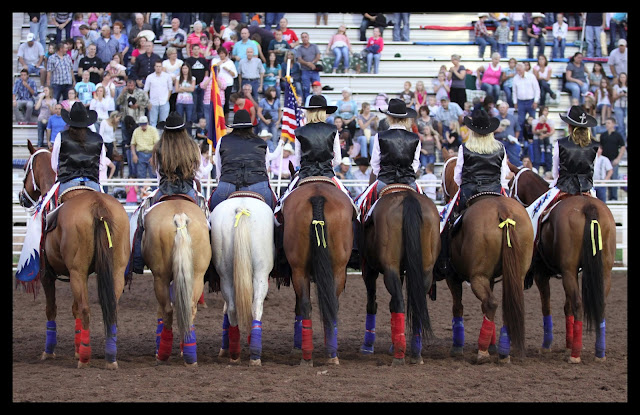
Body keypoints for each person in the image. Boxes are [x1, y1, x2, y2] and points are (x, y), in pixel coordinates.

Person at [129, 111, 208, 275]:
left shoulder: (159, 147)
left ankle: (137, 260)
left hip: (164, 190)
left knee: (140, 219)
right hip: (188, 190)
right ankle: (210, 260)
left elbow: (158, 173)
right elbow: (198, 172)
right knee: (208, 220)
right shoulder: (192, 146)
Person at [437, 107, 509, 271]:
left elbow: (457, 177)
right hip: (495, 191)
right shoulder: (500, 148)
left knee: (447, 221)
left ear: (473, 130)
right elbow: (503, 174)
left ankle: (446, 261)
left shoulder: (465, 147)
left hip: (470, 192)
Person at [273, 95, 353, 222]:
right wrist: (326, 165)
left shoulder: (300, 131)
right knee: (351, 204)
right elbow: (337, 159)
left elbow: (299, 159)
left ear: (309, 111)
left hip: (305, 175)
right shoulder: (333, 130)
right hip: (327, 174)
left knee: (281, 204)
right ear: (324, 112)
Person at [526, 105, 599, 240]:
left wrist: (554, 184)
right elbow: (592, 169)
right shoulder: (595, 144)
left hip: (564, 186)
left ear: (569, 126)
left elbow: (555, 172)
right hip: (587, 187)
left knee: (533, 213)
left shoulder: (561, 143)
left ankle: (535, 250)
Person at [354, 98, 422, 219]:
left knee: (361, 207)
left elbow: (375, 164)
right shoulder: (415, 138)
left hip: (385, 181)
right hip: (409, 181)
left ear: (389, 118)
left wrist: (383, 174)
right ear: (406, 118)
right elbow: (415, 164)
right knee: (426, 205)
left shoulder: (380, 136)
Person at [209, 109, 283, 212]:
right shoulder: (261, 142)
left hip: (228, 185)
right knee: (275, 211)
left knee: (211, 211)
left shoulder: (223, 140)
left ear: (234, 126)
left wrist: (223, 180)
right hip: (258, 185)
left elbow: (219, 167)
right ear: (250, 127)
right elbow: (265, 168)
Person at [50, 101, 107, 198]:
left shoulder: (61, 136)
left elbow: (55, 165)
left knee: (48, 206)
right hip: (92, 183)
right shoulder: (98, 138)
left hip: (67, 182)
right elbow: (102, 165)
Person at [599, 117, 626, 201]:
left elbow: (622, 147)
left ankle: (613, 197)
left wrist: (618, 159)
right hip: (604, 160)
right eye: (606, 123)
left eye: (609, 123)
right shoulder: (603, 135)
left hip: (613, 160)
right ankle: (603, 197)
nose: (607, 124)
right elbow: (600, 147)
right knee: (603, 178)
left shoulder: (618, 135)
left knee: (614, 178)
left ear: (613, 124)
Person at [184, 43, 210, 122]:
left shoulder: (203, 60)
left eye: (197, 49)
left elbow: (206, 71)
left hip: (202, 85)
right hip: (193, 85)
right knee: (194, 104)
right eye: (194, 49)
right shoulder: (189, 60)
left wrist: (204, 82)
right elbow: (186, 71)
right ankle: (194, 121)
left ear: (199, 50)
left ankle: (201, 121)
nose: (196, 50)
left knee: (201, 104)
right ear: (192, 50)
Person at [144, 61, 173, 128]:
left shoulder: (167, 76)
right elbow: (145, 90)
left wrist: (167, 99)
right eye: (157, 66)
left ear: (162, 67)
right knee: (153, 122)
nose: (158, 68)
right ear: (154, 67)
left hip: (164, 102)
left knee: (164, 122)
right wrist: (148, 102)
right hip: (153, 102)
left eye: (160, 66)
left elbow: (170, 89)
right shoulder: (150, 77)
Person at [512, 61, 540, 132]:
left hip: (531, 101)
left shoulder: (531, 77)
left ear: (524, 69)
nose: (518, 72)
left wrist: (536, 101)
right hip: (520, 101)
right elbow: (514, 92)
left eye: (520, 70)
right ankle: (520, 139)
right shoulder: (515, 78)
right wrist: (515, 102)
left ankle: (531, 138)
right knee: (520, 121)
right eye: (517, 70)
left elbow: (537, 89)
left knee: (532, 121)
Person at [130, 115, 160, 180]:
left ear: (147, 123)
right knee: (141, 175)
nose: (143, 126)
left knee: (153, 174)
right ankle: (141, 189)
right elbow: (132, 144)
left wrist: (153, 156)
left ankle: (154, 189)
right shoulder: (136, 131)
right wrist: (134, 155)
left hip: (151, 153)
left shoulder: (153, 130)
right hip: (140, 154)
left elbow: (157, 144)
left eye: (145, 124)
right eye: (142, 124)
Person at [493, 101, 522, 166]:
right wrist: (496, 130)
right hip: (499, 141)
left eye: (503, 107)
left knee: (514, 160)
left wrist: (515, 139)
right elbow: (490, 131)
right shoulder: (495, 119)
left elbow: (517, 129)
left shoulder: (513, 118)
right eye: (500, 107)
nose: (502, 109)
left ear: (507, 108)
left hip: (510, 142)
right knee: (498, 159)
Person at [296, 32, 322, 104]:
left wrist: (313, 63)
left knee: (317, 87)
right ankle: (308, 103)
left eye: (305, 37)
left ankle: (318, 102)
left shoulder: (314, 46)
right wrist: (308, 63)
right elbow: (299, 59)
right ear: (301, 39)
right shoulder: (300, 48)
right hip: (305, 71)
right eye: (303, 37)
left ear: (308, 37)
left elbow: (318, 55)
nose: (304, 38)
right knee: (306, 88)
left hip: (314, 70)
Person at [214, 47, 237, 117]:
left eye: (223, 53)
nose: (221, 55)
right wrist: (222, 62)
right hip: (218, 84)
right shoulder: (215, 60)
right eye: (220, 53)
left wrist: (228, 70)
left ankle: (225, 120)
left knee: (226, 101)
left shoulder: (230, 62)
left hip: (228, 84)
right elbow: (213, 68)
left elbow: (235, 75)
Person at [611, 72, 627, 141]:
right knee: (621, 125)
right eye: (621, 77)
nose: (623, 79)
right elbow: (613, 98)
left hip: (626, 106)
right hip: (618, 106)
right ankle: (621, 141)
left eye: (624, 77)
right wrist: (620, 95)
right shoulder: (616, 87)